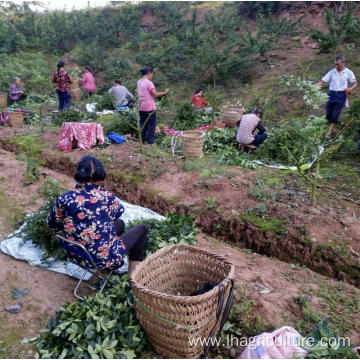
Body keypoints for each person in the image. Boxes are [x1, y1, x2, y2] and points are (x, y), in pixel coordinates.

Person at [46, 155, 147, 275]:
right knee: (142, 229)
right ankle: (132, 276)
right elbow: (118, 212)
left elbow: (52, 224)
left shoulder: (65, 198)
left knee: (120, 224)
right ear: (100, 175)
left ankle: (109, 249)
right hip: (102, 258)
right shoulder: (106, 197)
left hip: (76, 253)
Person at [316, 56, 357, 139]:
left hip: (341, 95)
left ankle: (329, 132)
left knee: (335, 114)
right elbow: (323, 82)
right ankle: (333, 129)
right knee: (328, 114)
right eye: (335, 64)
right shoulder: (332, 72)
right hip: (331, 94)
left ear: (342, 63)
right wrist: (312, 86)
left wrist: (350, 89)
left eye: (337, 64)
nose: (336, 66)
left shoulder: (348, 72)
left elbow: (355, 83)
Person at [136, 67, 169, 145]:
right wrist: (165, 92)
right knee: (151, 124)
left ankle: (141, 139)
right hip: (149, 106)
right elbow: (156, 94)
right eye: (152, 74)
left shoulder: (139, 82)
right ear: (149, 73)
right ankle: (150, 141)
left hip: (141, 106)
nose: (152, 75)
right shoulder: (148, 83)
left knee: (142, 123)